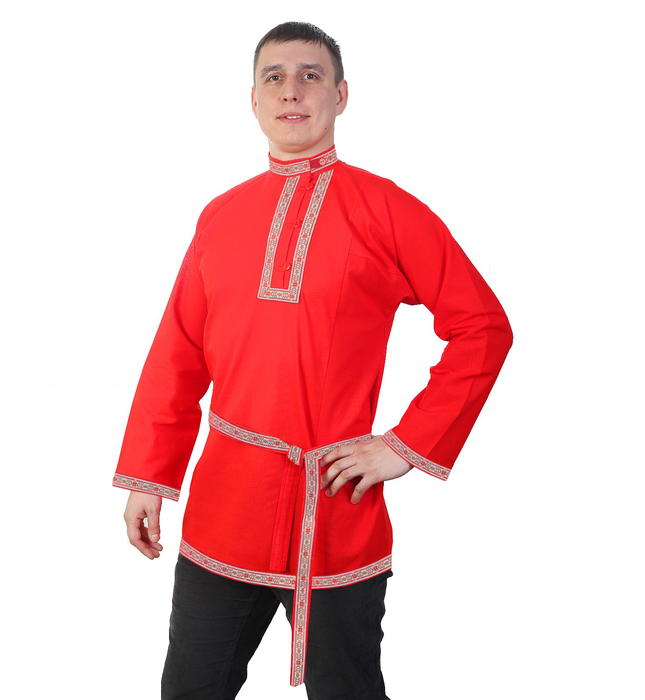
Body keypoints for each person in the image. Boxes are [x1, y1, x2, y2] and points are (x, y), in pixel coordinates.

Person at [112, 21, 513, 700]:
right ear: (253, 100)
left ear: (341, 95)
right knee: (189, 690)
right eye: (274, 77)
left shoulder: (389, 210)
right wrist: (149, 476)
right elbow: (178, 351)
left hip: (336, 508)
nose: (291, 91)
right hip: (226, 509)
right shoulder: (220, 215)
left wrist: (406, 445)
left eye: (310, 75)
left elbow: (482, 327)